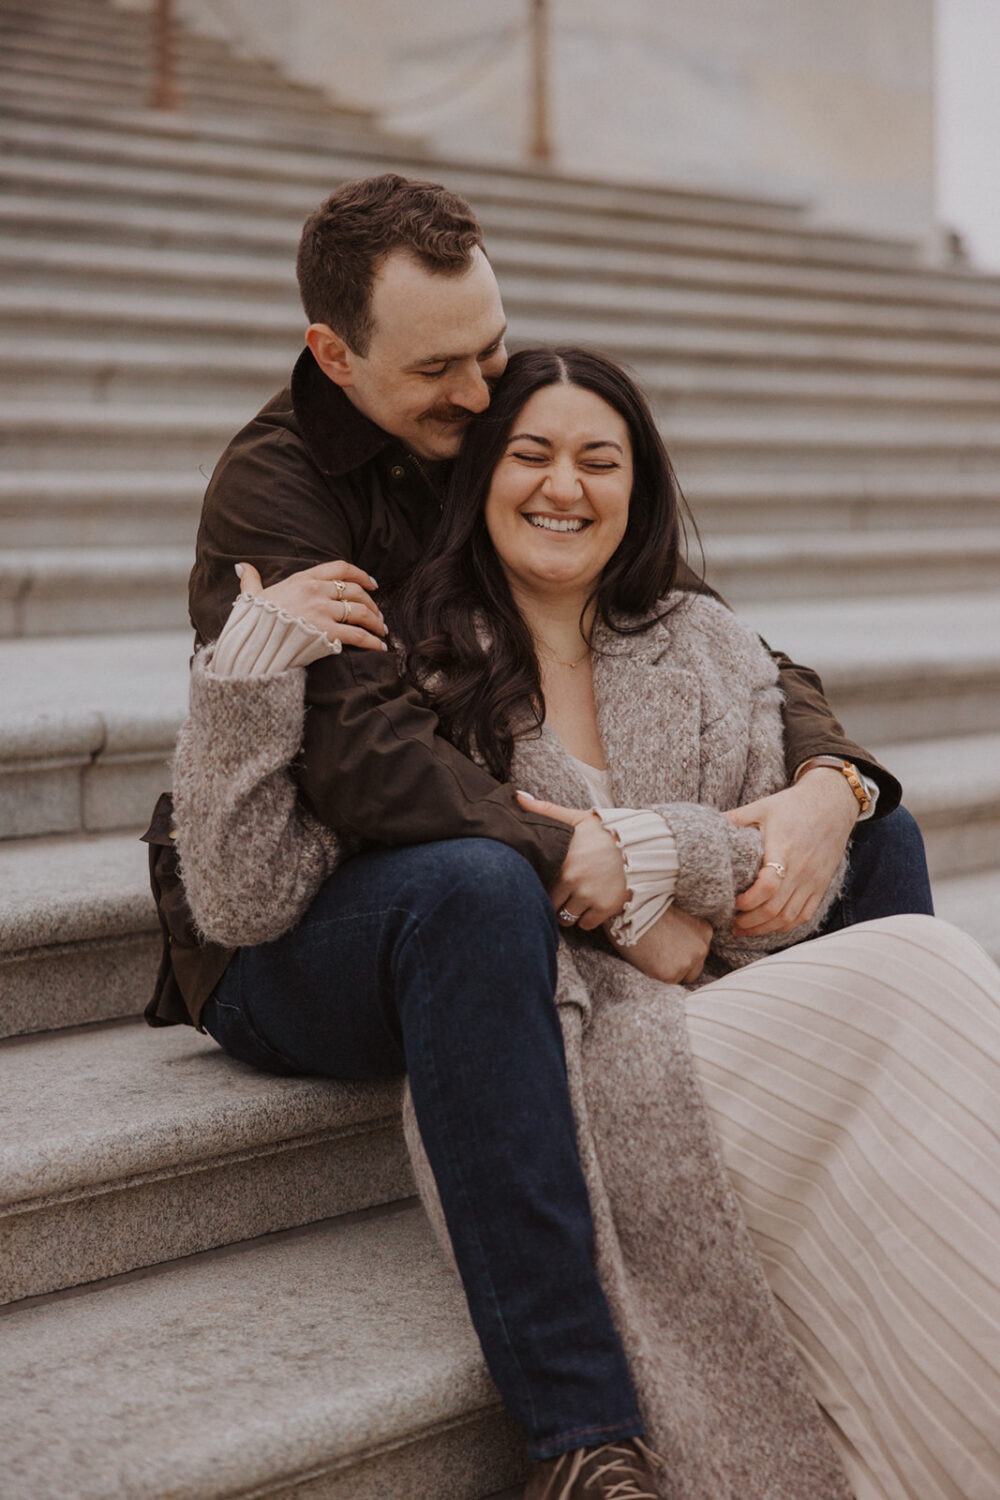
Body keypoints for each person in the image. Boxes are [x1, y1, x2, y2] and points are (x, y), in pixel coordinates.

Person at [170, 349, 998, 1500]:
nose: (565, 485)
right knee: (911, 969)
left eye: (598, 460)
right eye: (531, 454)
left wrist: (805, 801)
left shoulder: (694, 639)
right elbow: (254, 894)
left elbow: (740, 915)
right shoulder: (411, 645)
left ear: (637, 487)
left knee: (886, 854)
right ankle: (582, 1436)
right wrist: (245, 671)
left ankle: (919, 1271)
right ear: (478, 474)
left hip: (699, 989)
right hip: (577, 1027)